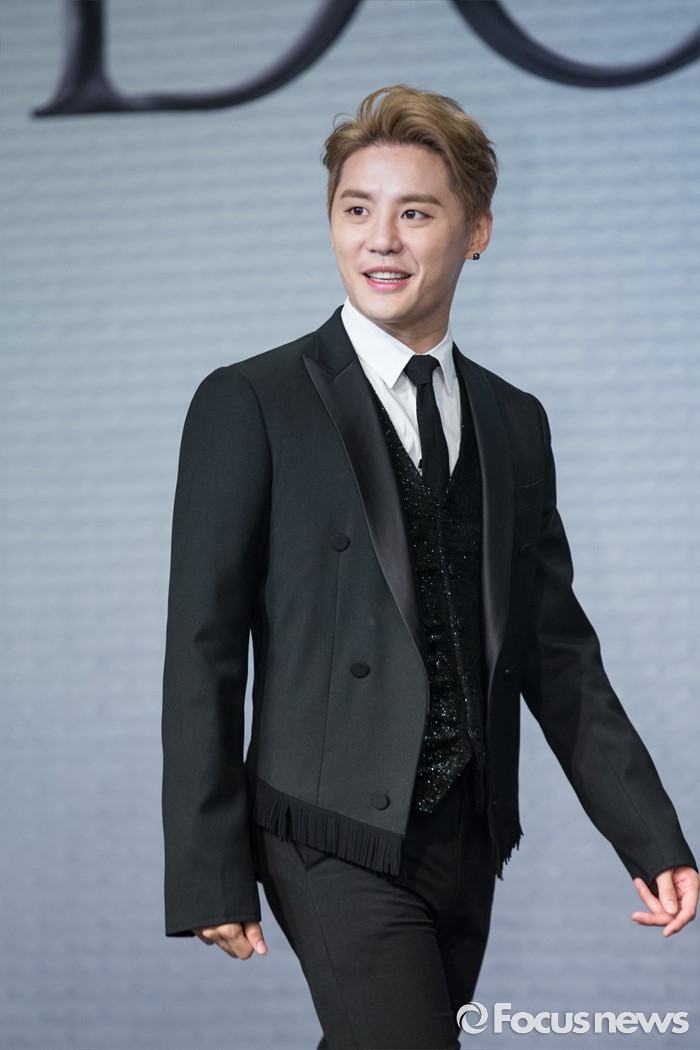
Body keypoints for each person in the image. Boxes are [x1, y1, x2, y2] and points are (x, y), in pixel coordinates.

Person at [161, 85, 698, 1049]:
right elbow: (202, 649)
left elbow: (556, 653)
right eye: (356, 209)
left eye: (415, 213)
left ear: (476, 231)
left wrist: (650, 836)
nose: (381, 240)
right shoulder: (253, 401)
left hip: (465, 833)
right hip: (327, 828)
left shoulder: (513, 420)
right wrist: (209, 870)